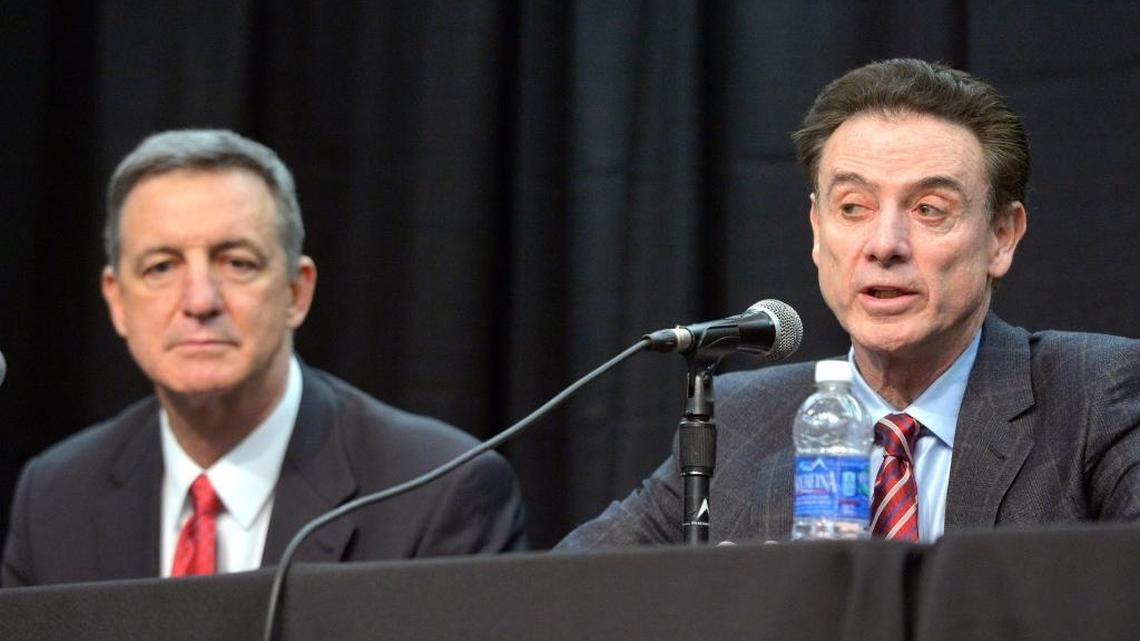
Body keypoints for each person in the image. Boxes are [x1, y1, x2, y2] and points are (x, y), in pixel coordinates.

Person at [558, 58, 1140, 548]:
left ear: (1001, 236)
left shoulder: (1095, 397)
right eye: (853, 208)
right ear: (816, 229)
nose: (884, 245)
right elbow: (562, 594)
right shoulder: (741, 421)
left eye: (929, 209)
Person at [1, 130, 526, 587]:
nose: (200, 300)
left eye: (237, 262)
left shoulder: (438, 489)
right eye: (162, 267)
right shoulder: (54, 495)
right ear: (117, 301)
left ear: (297, 292)